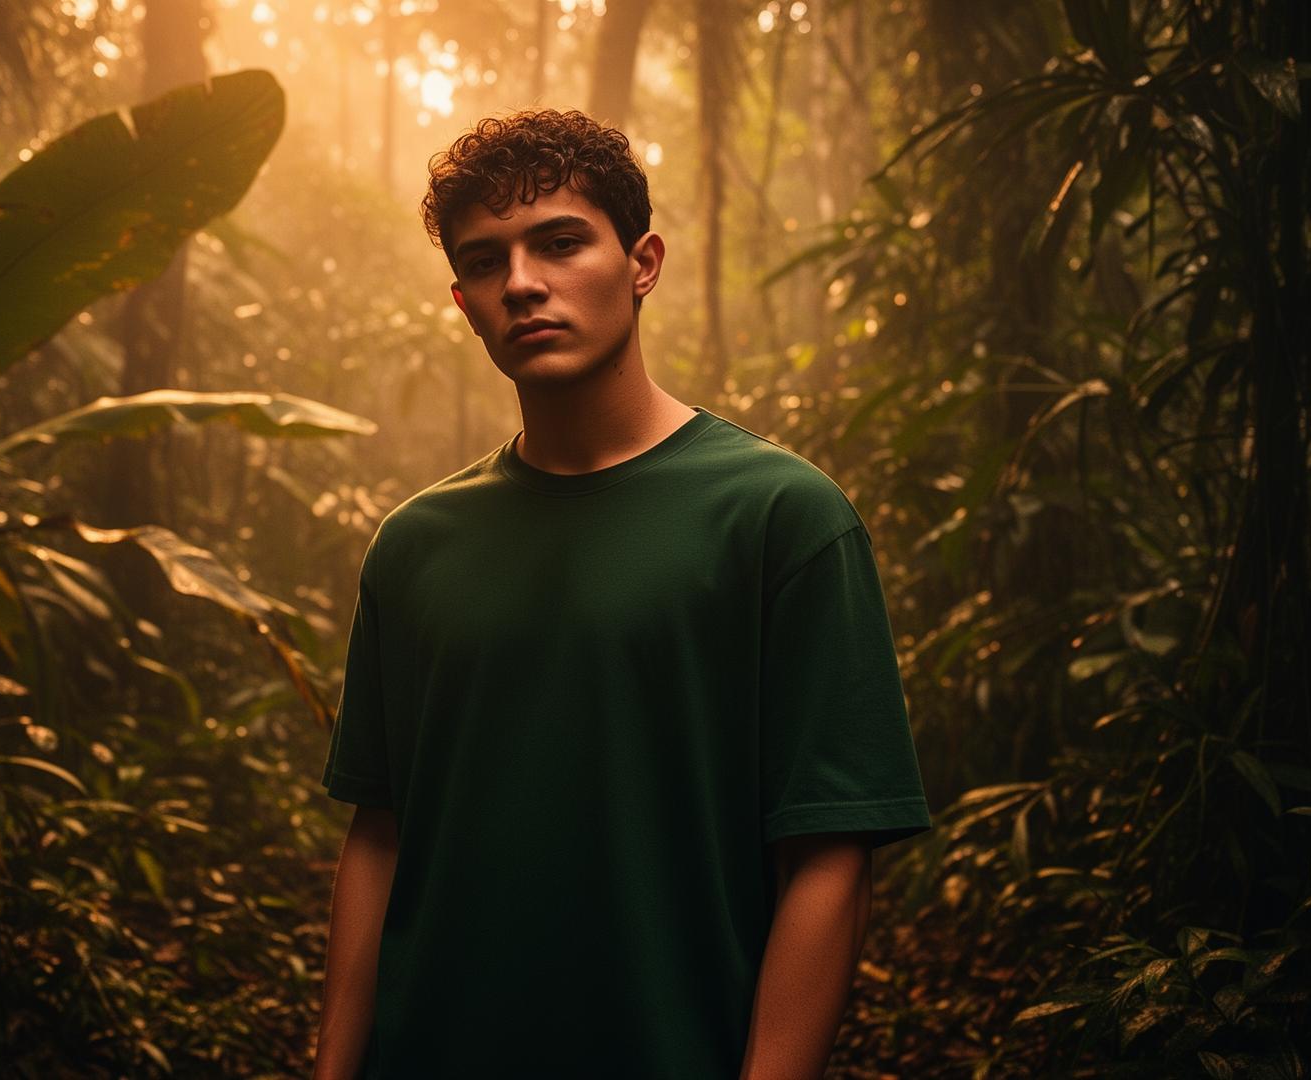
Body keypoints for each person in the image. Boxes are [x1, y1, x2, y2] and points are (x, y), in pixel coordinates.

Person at [312, 108, 930, 1080]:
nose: (522, 283)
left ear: (642, 262)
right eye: (485, 262)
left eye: (560, 243)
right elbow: (380, 834)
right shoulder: (415, 546)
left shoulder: (783, 519)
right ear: (464, 301)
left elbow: (829, 856)